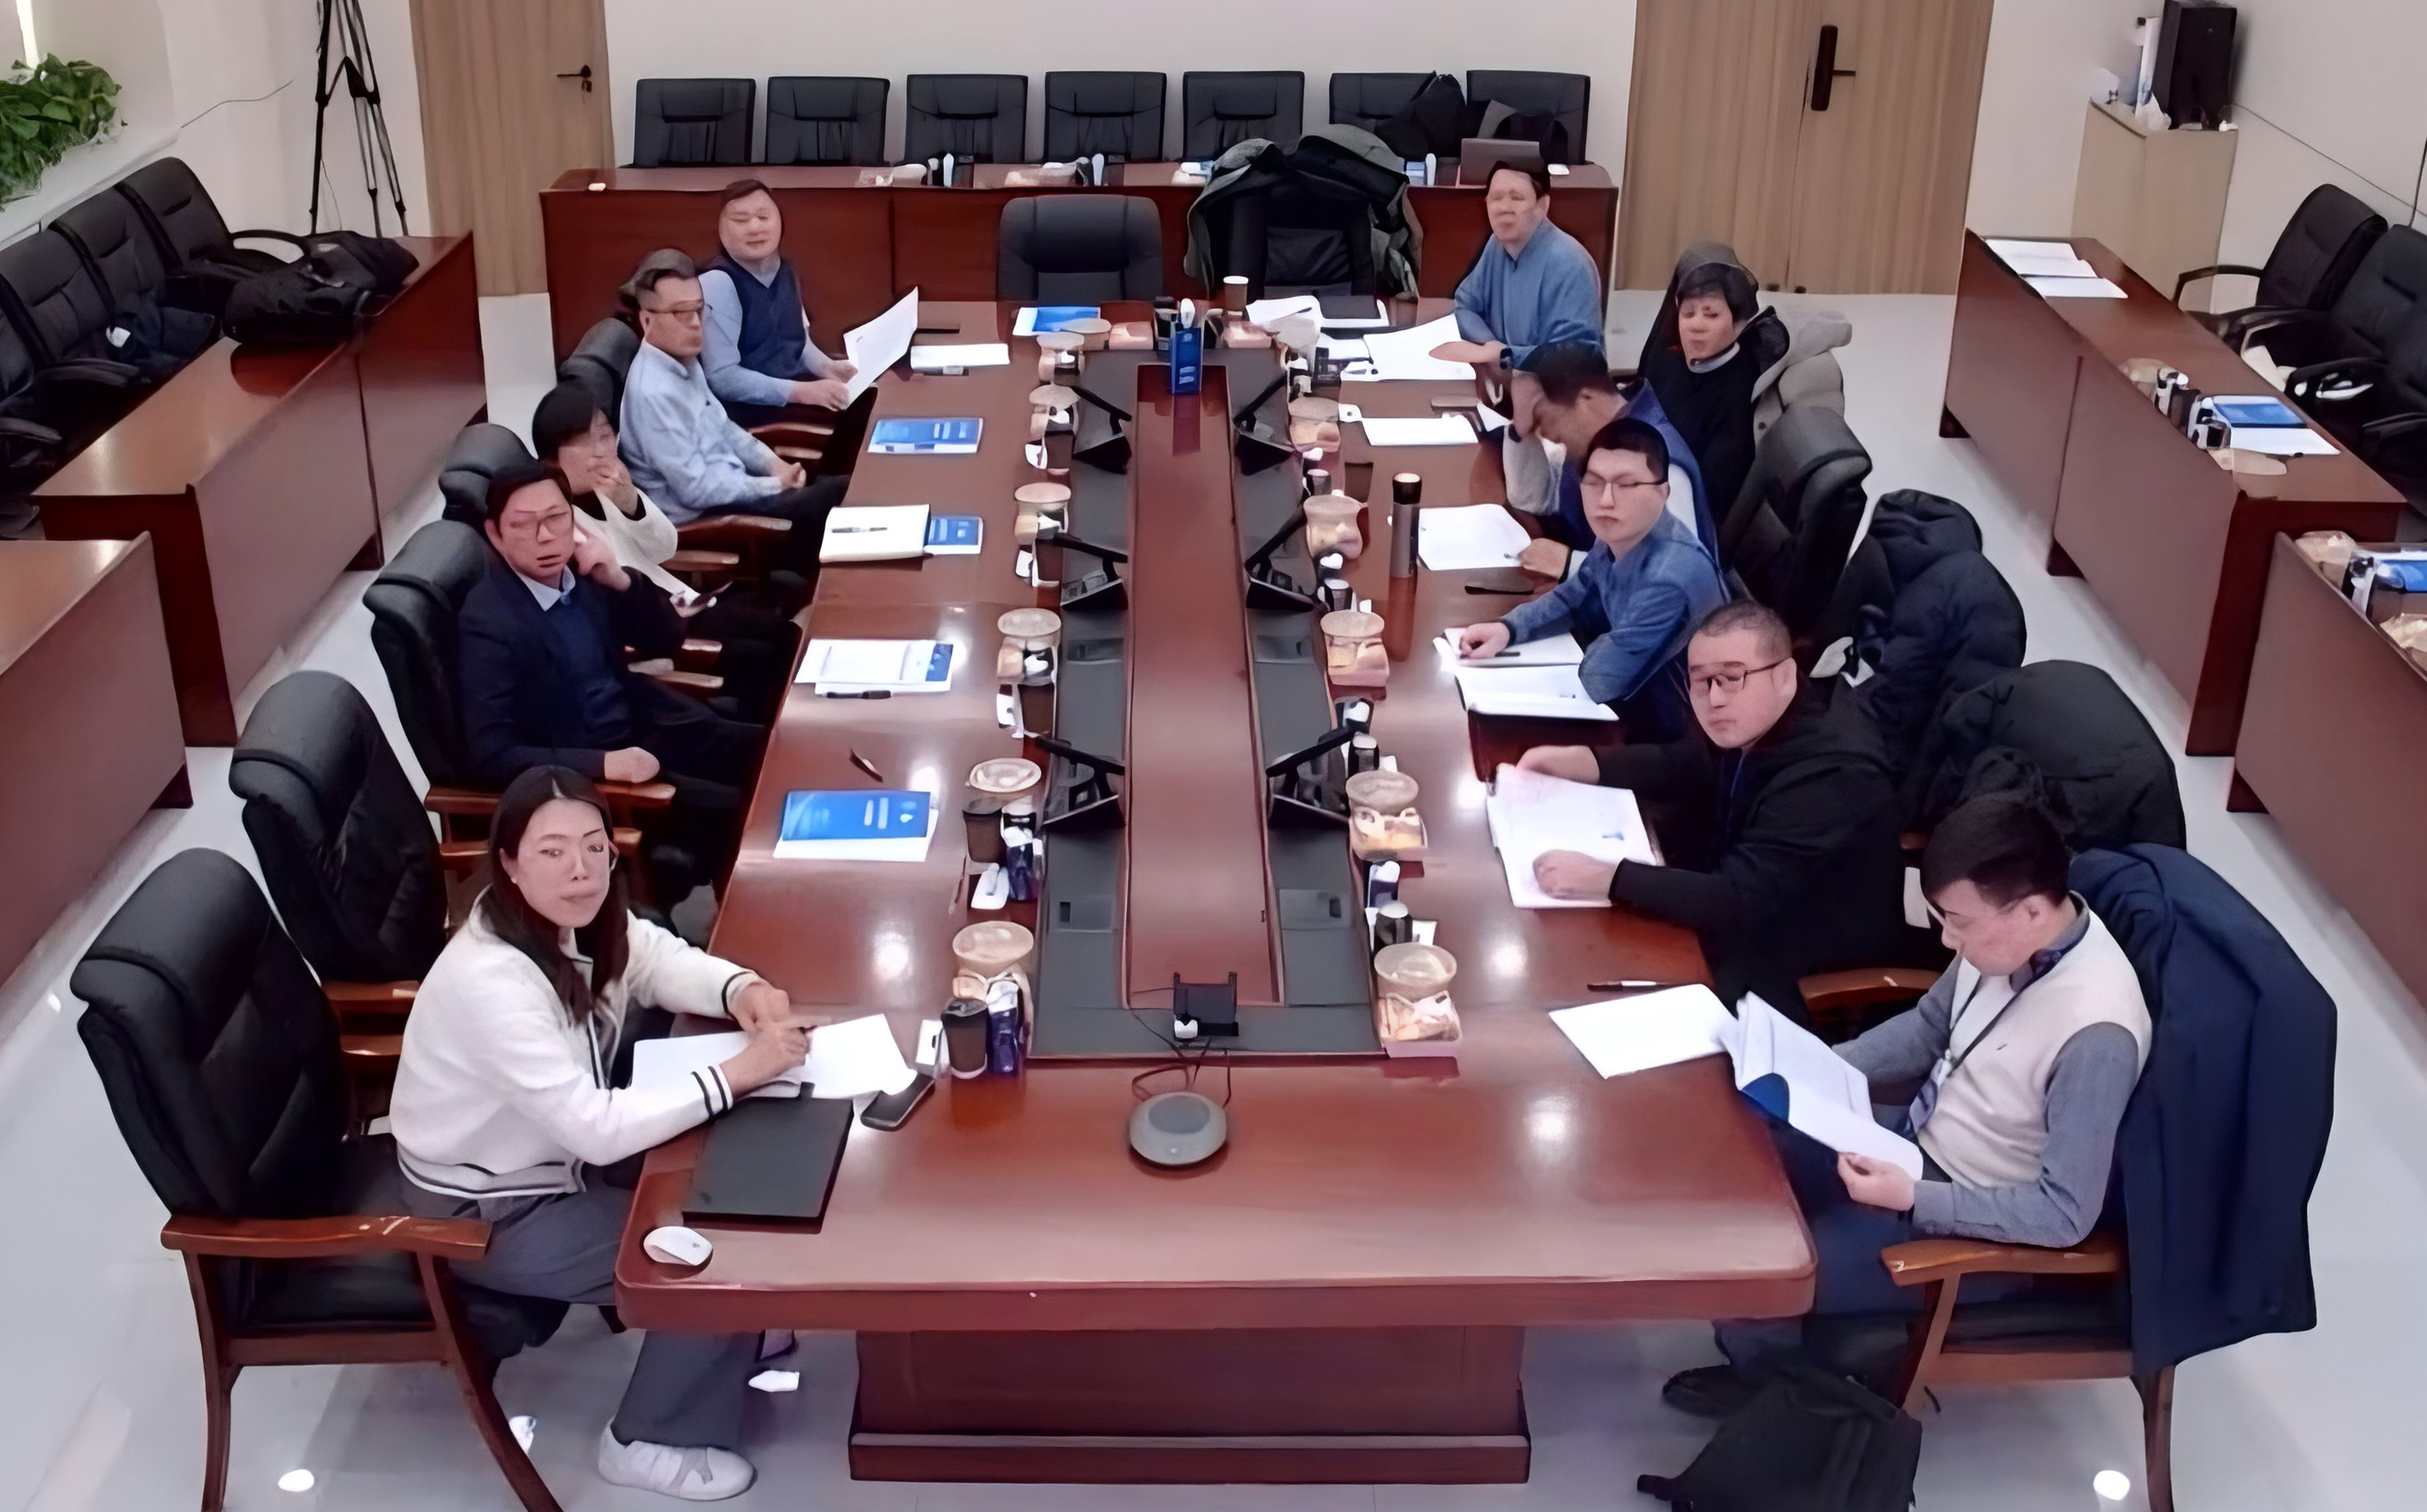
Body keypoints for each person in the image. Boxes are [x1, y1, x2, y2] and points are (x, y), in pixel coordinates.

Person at [390, 767, 812, 1499]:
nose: (581, 870)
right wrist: (741, 1071)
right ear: (509, 863)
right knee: (710, 1256)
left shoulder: (576, 917)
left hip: (555, 1161)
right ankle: (645, 1437)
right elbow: (596, 1130)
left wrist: (740, 988)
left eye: (595, 846)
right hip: (488, 1211)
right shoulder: (491, 982)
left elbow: (652, 958)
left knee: (733, 1184)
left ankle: (731, 1330)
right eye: (552, 852)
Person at [1663, 795, 2153, 1414]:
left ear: (2032, 910)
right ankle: (1767, 1350)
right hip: (1916, 1141)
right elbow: (1928, 1027)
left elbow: (2063, 1215)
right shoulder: (2015, 938)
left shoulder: (2096, 1035)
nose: (1948, 940)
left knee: (1755, 1261)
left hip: (1971, 1215)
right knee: (1742, 1146)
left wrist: (1914, 1198)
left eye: (1959, 924)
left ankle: (1775, 1396)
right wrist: (1817, 1067)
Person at [1520, 601, 1908, 1016]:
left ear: (1785, 676)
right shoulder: (1768, 718)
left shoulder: (1836, 776)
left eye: (1732, 678)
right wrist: (1581, 761)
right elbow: (1685, 762)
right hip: (1738, 910)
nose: (1715, 699)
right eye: (1701, 682)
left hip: (1798, 959)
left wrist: (1608, 878)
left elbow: (1741, 900)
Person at [458, 460, 764, 899]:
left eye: (556, 518)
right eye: (523, 525)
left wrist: (618, 579)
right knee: (751, 814)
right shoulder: (488, 625)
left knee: (771, 753)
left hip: (650, 726)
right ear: (495, 534)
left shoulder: (580, 576)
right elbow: (491, 756)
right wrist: (605, 764)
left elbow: (667, 639)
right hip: (603, 776)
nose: (545, 537)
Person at [531, 379, 800, 716]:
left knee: (786, 633)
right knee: (770, 654)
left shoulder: (608, 489)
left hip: (683, 605)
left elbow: (664, 548)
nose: (600, 451)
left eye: (604, 436)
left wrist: (630, 501)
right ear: (551, 457)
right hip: (658, 633)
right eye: (584, 442)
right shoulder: (560, 526)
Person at [1452, 418, 1724, 738]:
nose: (1605, 500)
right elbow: (1574, 597)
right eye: (1594, 482)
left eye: (1626, 485)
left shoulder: (1670, 578)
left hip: (1683, 731)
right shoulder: (1625, 530)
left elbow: (1601, 678)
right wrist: (1508, 629)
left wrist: (1513, 685)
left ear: (1662, 492)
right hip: (1631, 703)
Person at [618, 249, 844, 573]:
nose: (696, 323)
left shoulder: (681, 359)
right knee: (840, 500)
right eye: (681, 313)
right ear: (647, 320)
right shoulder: (653, 393)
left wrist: (773, 465)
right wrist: (773, 485)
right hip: (706, 519)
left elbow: (723, 427)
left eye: (699, 309)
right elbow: (697, 490)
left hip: (733, 488)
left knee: (845, 491)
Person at [1637, 244, 1850, 524]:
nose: (1696, 325)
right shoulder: (1673, 361)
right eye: (1688, 314)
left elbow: (1712, 498)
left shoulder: (1737, 389)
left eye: (1711, 314)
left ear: (1737, 321)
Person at [1506, 341, 1714, 581]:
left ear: (1585, 398)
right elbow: (1538, 501)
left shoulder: (1658, 462)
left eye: (1543, 418)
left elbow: (1676, 574)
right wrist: (1519, 429)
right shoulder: (1597, 438)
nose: (1546, 435)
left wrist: (1568, 564)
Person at [698, 179, 859, 427]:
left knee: (867, 406)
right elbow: (722, 377)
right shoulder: (717, 283)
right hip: (747, 415)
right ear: (721, 230)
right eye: (741, 220)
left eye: (763, 217)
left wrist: (828, 367)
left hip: (791, 396)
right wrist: (802, 393)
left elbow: (797, 343)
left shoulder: (786, 272)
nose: (755, 228)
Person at [1433, 164, 1606, 370]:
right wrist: (1491, 347)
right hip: (1508, 378)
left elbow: (1578, 355)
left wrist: (1503, 355)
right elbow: (1465, 306)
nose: (1504, 208)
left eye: (1516, 198)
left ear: (1543, 206)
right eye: (1496, 198)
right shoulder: (1496, 245)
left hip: (1561, 386)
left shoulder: (1570, 263)